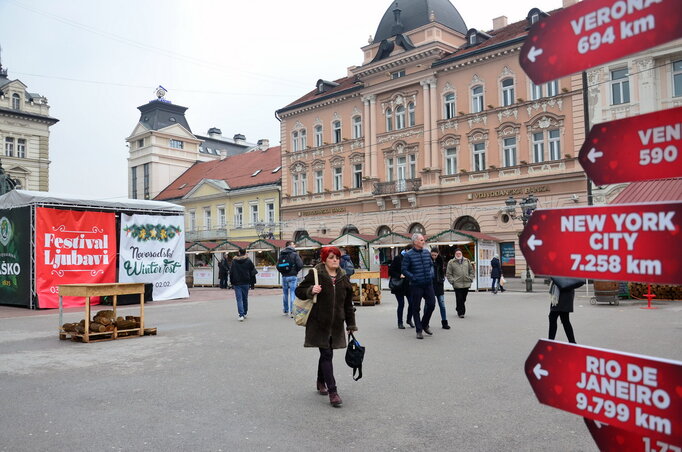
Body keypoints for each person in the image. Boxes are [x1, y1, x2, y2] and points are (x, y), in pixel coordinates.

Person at [295, 246, 357, 408]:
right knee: (327, 353)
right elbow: (299, 291)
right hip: (319, 323)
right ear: (324, 260)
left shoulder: (344, 277)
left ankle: (320, 380)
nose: (335, 260)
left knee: (326, 355)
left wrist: (351, 324)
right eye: (331, 257)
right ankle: (333, 392)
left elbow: (348, 304)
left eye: (337, 257)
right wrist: (310, 290)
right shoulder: (315, 274)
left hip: (336, 324)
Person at [401, 233, 436, 340]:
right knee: (416, 308)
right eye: (421, 240)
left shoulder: (426, 252)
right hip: (416, 285)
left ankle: (424, 324)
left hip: (428, 284)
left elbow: (431, 265)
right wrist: (413, 277)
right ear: (415, 242)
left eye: (423, 240)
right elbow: (404, 270)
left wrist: (431, 274)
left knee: (432, 304)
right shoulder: (408, 255)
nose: (423, 241)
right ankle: (419, 330)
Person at [548, 277, 585, 344]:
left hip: (561, 294)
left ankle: (550, 342)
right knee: (565, 320)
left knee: (553, 317)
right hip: (565, 292)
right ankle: (572, 342)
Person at [388, 244, 413, 329]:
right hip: (399, 285)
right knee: (401, 304)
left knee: (412, 303)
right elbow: (390, 271)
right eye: (410, 251)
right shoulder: (398, 258)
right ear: (406, 250)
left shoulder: (411, 258)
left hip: (408, 285)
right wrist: (399, 275)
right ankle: (400, 322)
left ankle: (409, 320)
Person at [229, 248, 257, 321]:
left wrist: (231, 282)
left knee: (239, 299)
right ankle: (244, 312)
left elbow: (231, 272)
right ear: (245, 253)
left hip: (237, 282)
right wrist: (252, 283)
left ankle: (241, 314)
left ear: (239, 252)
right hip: (246, 282)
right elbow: (253, 272)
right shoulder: (248, 261)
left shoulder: (234, 261)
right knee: (245, 298)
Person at [446, 249, 475, 318]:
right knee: (459, 298)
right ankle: (461, 313)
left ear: (461, 254)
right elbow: (448, 273)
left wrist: (471, 278)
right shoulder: (451, 262)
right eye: (457, 253)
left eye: (459, 253)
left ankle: (458, 307)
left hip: (466, 283)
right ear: (455, 254)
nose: (458, 254)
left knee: (463, 298)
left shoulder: (467, 261)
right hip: (457, 284)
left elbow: (471, 270)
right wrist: (452, 281)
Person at [279, 241, 304, 317]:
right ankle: (292, 311)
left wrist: (283, 272)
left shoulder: (282, 254)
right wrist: (296, 271)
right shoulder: (295, 254)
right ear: (289, 245)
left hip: (284, 276)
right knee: (293, 293)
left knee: (285, 293)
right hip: (293, 276)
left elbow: (278, 265)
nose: (295, 245)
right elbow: (300, 264)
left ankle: (285, 310)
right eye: (293, 244)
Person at [430, 247, 450, 329]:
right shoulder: (428, 260)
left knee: (442, 304)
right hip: (430, 285)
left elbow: (442, 272)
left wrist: (442, 280)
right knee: (429, 305)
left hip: (439, 285)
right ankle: (425, 322)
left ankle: (444, 322)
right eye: (432, 255)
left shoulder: (440, 261)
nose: (434, 256)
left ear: (438, 254)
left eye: (435, 255)